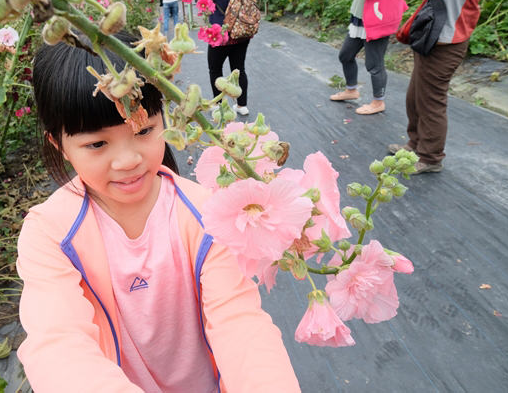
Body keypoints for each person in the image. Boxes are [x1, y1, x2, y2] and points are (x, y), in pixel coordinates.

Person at [16, 33, 302, 392]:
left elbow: (240, 322)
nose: (129, 160)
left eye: (145, 130)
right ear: (61, 146)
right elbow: (58, 344)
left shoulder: (207, 213)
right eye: (97, 144)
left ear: (166, 119)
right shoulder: (50, 233)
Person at [388, 0, 508, 174]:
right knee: (416, 95)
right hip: (435, 33)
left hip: (449, 38)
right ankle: (414, 144)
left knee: (431, 99)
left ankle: (431, 157)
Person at [328, 0, 419, 115]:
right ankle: (352, 90)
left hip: (378, 16)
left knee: (374, 64)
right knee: (345, 55)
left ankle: (378, 102)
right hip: (362, 13)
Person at [200, 0, 254, 116]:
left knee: (215, 69)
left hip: (220, 33)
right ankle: (242, 105)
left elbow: (203, 0)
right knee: (239, 69)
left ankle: (218, 104)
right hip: (242, 31)